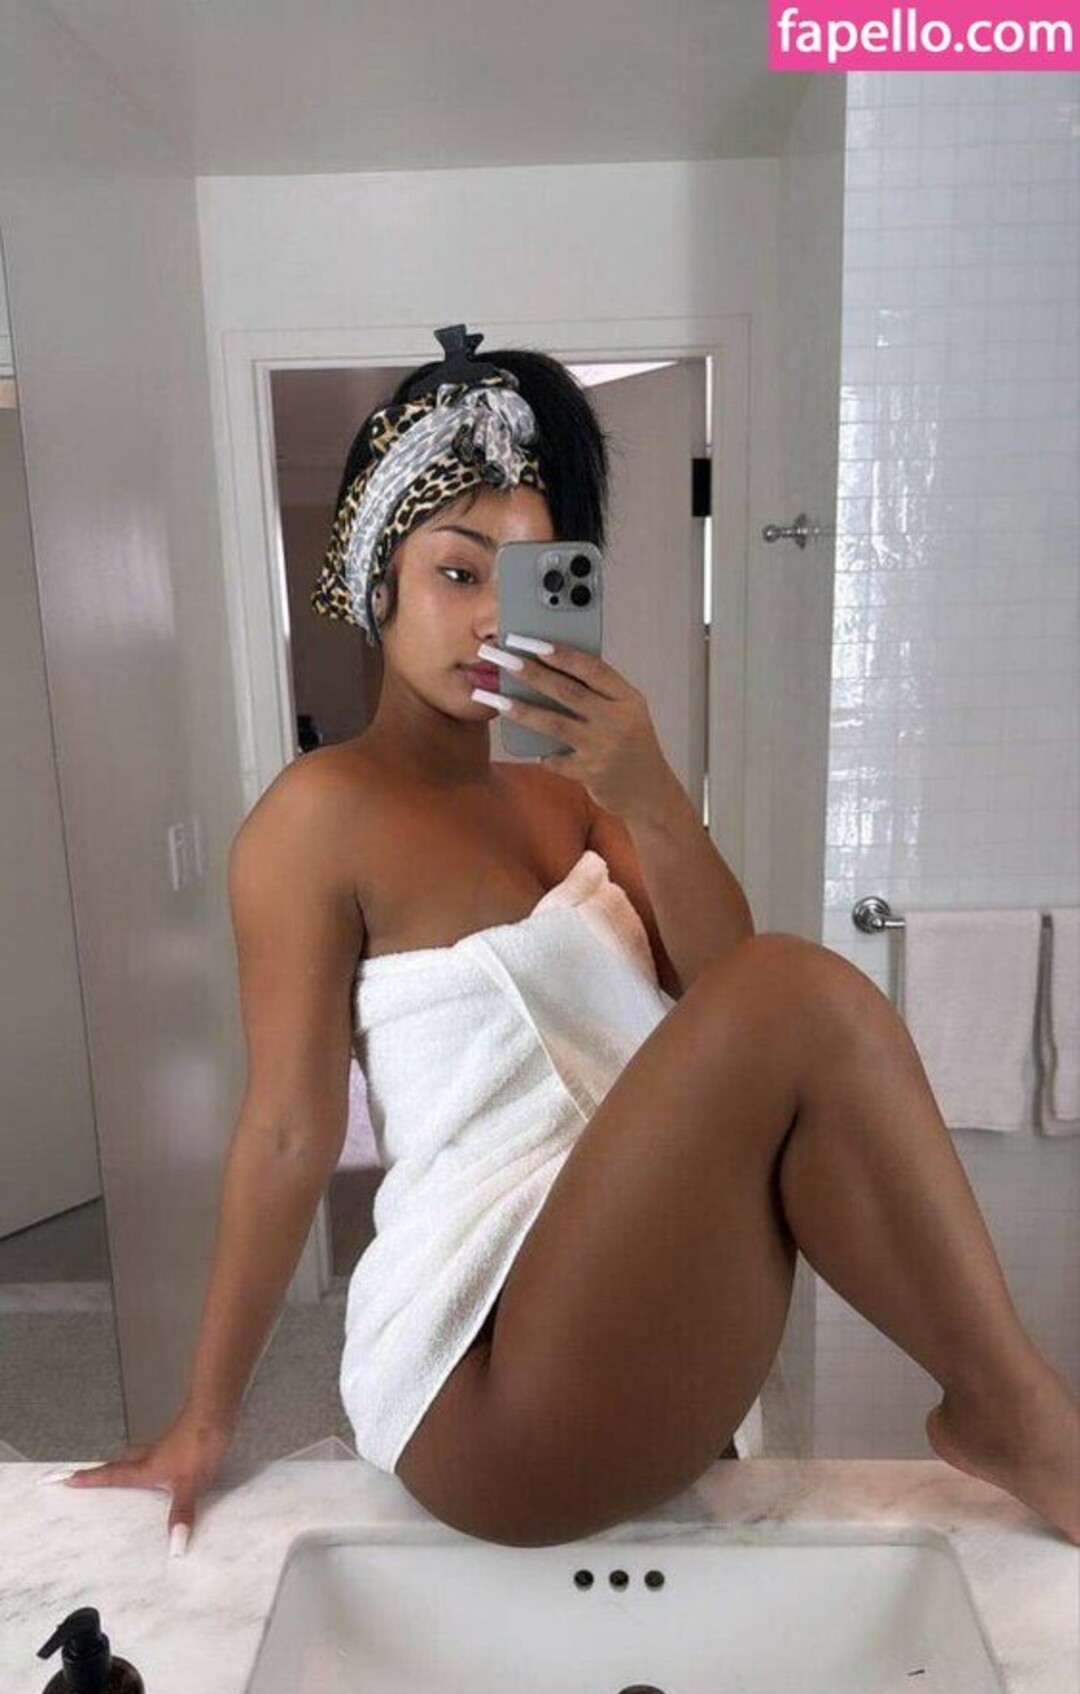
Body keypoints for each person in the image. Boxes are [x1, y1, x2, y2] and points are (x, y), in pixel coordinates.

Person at [67, 323, 1080, 1552]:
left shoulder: (569, 798)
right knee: (796, 983)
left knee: (790, 999)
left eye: (531, 576)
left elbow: (731, 998)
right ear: (376, 580)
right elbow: (288, 1129)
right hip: (481, 1373)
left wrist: (653, 796)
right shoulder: (317, 815)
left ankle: (1008, 1409)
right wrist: (206, 1413)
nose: (493, 615)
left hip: (634, 1325)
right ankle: (1022, 1416)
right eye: (457, 572)